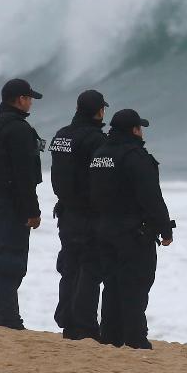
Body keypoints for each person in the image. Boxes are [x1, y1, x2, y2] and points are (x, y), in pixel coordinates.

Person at [83, 108, 174, 349]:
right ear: (134, 130)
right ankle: (135, 337)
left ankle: (111, 335)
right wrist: (166, 230)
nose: (142, 132)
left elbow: (92, 193)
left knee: (111, 284)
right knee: (136, 283)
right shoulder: (136, 157)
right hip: (133, 233)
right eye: (140, 128)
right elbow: (151, 197)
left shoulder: (99, 154)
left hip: (104, 229)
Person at [0, 77, 44, 330]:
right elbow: (24, 176)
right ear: (20, 100)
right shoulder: (18, 129)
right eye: (29, 99)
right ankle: (9, 321)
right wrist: (33, 211)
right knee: (8, 263)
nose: (31, 104)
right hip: (9, 205)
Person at [48, 89, 109, 337]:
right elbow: (100, 180)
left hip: (66, 212)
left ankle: (67, 321)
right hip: (88, 215)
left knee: (70, 268)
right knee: (89, 270)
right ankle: (83, 326)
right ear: (99, 111)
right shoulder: (96, 140)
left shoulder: (61, 136)